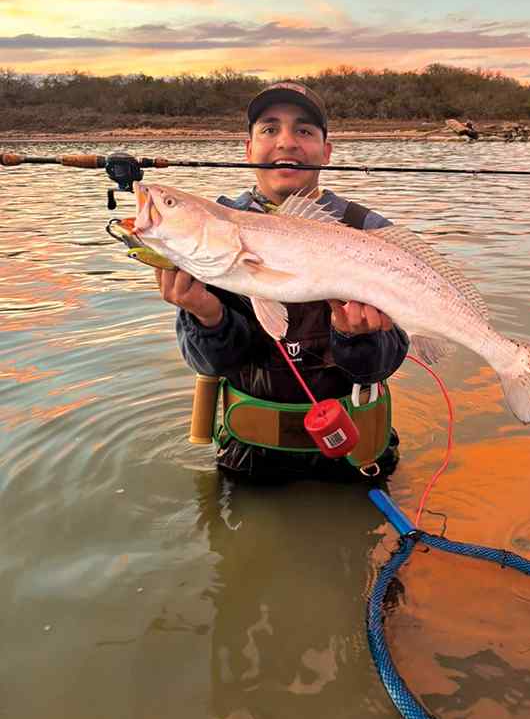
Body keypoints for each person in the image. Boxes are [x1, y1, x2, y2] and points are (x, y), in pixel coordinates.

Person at [154, 81, 409, 481]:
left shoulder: (368, 231)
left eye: (304, 131)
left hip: (356, 447)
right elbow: (208, 363)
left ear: (326, 152)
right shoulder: (215, 225)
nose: (286, 142)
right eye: (269, 130)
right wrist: (206, 315)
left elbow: (384, 364)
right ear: (248, 149)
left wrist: (359, 340)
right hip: (251, 450)